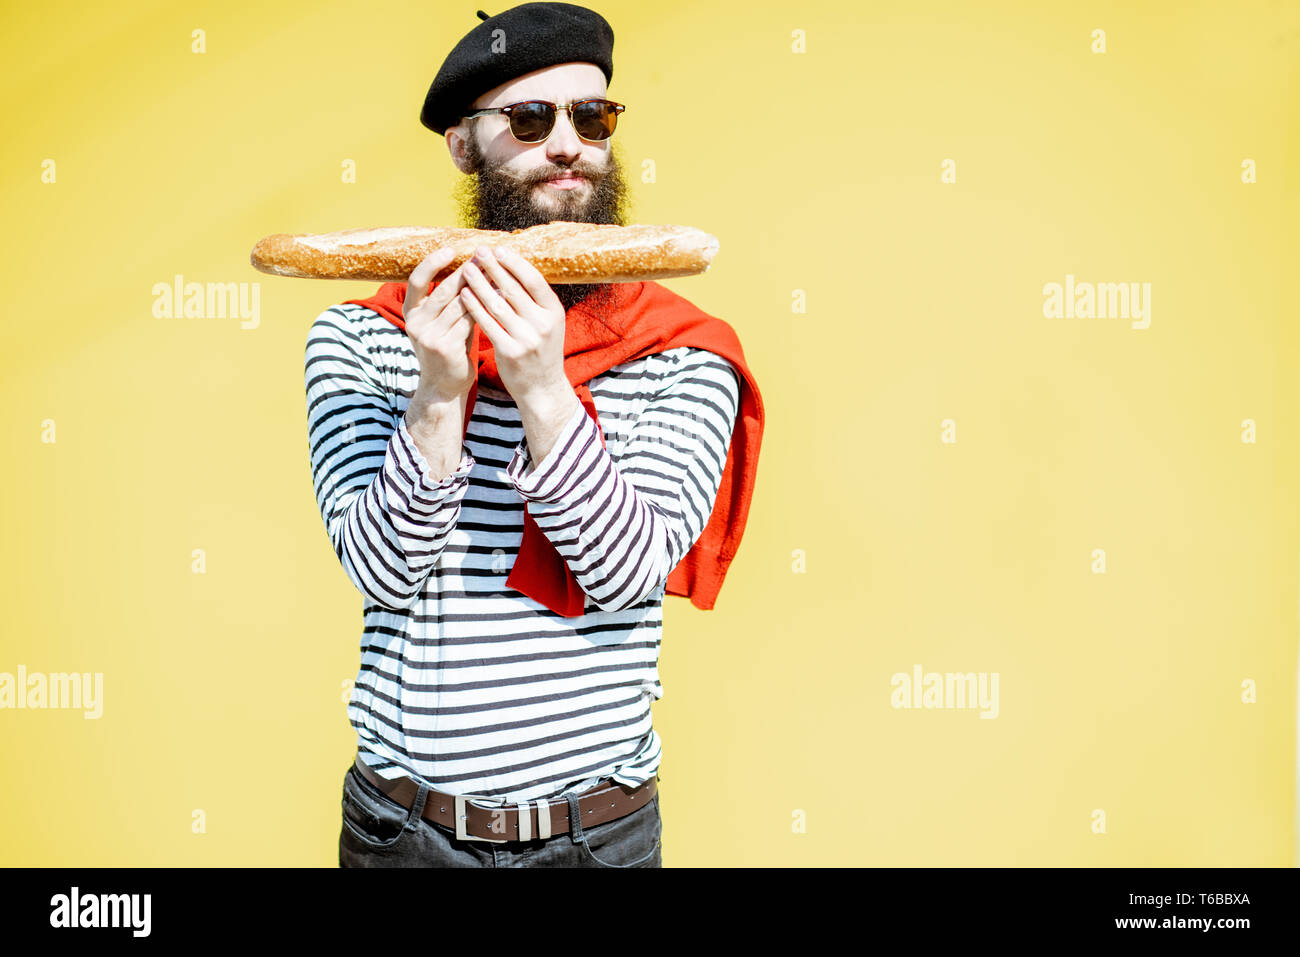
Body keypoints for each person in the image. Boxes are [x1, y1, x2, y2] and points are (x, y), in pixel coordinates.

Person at [303, 2, 764, 867]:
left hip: (599, 833)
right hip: (403, 831)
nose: (567, 144)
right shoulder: (360, 337)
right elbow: (381, 571)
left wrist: (544, 390)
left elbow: (631, 576)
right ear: (463, 145)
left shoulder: (684, 348)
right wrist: (437, 396)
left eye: (591, 117)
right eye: (529, 117)